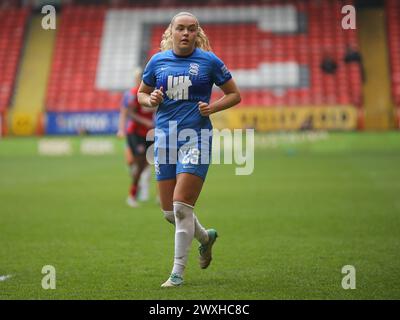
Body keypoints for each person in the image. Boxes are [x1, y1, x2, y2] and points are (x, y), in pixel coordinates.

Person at [138, 11, 241, 287]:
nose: (186, 33)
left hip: (196, 138)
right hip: (164, 141)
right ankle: (206, 239)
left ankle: (177, 273)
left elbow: (234, 94)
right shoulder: (157, 61)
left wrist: (213, 107)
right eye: (180, 28)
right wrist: (151, 99)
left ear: (198, 33)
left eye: (191, 29)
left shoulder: (209, 61)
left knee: (182, 207)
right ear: (171, 31)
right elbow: (141, 93)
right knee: (170, 214)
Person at [117, 68, 155, 208]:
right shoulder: (133, 94)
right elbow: (128, 113)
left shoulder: (155, 92)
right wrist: (144, 122)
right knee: (139, 163)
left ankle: (145, 190)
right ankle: (132, 195)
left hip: (150, 133)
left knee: (146, 164)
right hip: (135, 133)